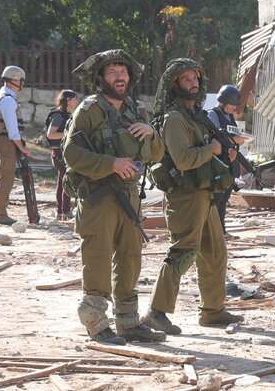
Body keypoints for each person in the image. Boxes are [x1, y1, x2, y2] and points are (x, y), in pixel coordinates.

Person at [61, 50, 167, 345]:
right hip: (99, 196)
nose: (119, 76)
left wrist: (152, 133)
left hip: (130, 195)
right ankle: (96, 324)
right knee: (97, 260)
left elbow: (156, 154)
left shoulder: (137, 110)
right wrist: (112, 164)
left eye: (123, 71)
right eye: (112, 71)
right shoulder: (88, 109)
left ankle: (128, 323)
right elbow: (70, 153)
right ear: (100, 78)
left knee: (130, 258)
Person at [142, 59, 241, 335]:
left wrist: (224, 154)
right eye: (186, 79)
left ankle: (213, 311)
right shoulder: (174, 118)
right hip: (185, 195)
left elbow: (207, 150)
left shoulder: (194, 114)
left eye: (195, 78)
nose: (193, 83)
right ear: (175, 84)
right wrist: (212, 150)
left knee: (215, 252)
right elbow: (184, 160)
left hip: (204, 193)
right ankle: (156, 312)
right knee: (184, 251)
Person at [0, 66, 30, 225]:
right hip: (6, 143)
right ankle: (0, 215)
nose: (22, 83)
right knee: (6, 178)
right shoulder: (8, 99)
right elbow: (13, 130)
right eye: (20, 80)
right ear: (15, 80)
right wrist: (22, 147)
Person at [208, 84, 246, 234]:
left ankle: (221, 231)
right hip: (219, 164)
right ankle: (214, 232)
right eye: (231, 104)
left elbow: (231, 137)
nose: (233, 108)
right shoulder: (212, 115)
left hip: (230, 162)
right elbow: (213, 138)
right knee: (216, 199)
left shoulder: (230, 117)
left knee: (224, 199)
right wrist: (233, 141)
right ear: (223, 101)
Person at [46, 90, 79, 220]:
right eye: (75, 99)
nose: (77, 102)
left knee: (63, 182)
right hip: (59, 153)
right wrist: (70, 134)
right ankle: (64, 212)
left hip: (63, 152)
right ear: (68, 100)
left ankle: (62, 212)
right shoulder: (59, 115)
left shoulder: (65, 115)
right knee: (66, 182)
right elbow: (50, 134)